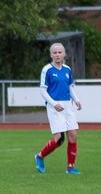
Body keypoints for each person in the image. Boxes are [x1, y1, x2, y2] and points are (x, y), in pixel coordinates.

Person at [34, 43, 83, 174]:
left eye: (59, 52)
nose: (57, 55)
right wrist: (53, 103)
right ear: (51, 55)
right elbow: (43, 90)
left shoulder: (67, 69)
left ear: (64, 54)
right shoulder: (47, 70)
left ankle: (70, 167)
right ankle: (40, 156)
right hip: (54, 107)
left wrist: (76, 100)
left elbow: (70, 87)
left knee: (73, 135)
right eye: (54, 52)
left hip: (68, 106)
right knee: (59, 139)